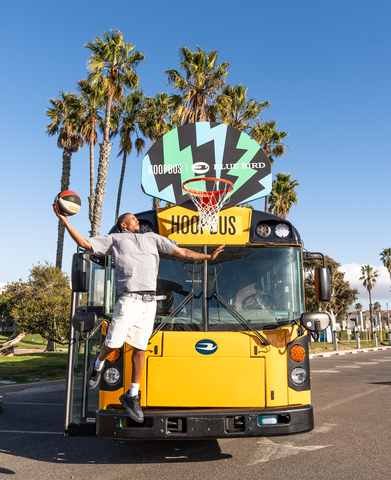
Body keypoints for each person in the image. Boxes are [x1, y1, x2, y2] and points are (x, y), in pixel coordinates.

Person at [53, 207, 224, 423]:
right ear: (123, 225)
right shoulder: (115, 239)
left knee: (141, 348)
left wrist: (207, 256)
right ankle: (97, 364)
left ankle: (132, 395)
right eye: (132, 219)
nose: (137, 221)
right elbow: (85, 244)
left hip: (150, 302)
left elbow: (181, 252)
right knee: (114, 343)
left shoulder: (153, 238)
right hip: (129, 299)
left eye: (136, 219)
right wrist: (64, 221)